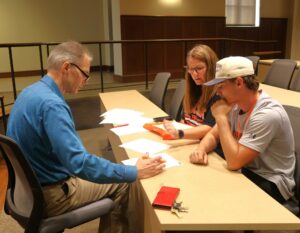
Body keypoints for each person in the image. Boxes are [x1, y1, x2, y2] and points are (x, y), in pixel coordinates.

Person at [6, 41, 165, 233]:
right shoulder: (52, 105)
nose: (86, 81)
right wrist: (132, 171)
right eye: (85, 74)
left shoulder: (29, 92)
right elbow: (78, 163)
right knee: (124, 183)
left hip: (27, 191)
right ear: (66, 67)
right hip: (51, 194)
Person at [190, 56, 296, 205]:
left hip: (271, 181)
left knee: (214, 197)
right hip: (247, 169)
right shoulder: (235, 104)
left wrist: (220, 118)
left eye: (221, 87)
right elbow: (213, 135)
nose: (218, 93)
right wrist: (200, 149)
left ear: (239, 82)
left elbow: (234, 162)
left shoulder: (266, 114)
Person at [163, 44, 220, 141]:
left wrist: (179, 133)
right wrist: (172, 127)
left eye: (199, 68)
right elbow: (184, 120)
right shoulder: (194, 89)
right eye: (190, 69)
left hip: (205, 147)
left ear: (212, 67)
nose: (194, 74)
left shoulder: (219, 93)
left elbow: (209, 128)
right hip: (188, 142)